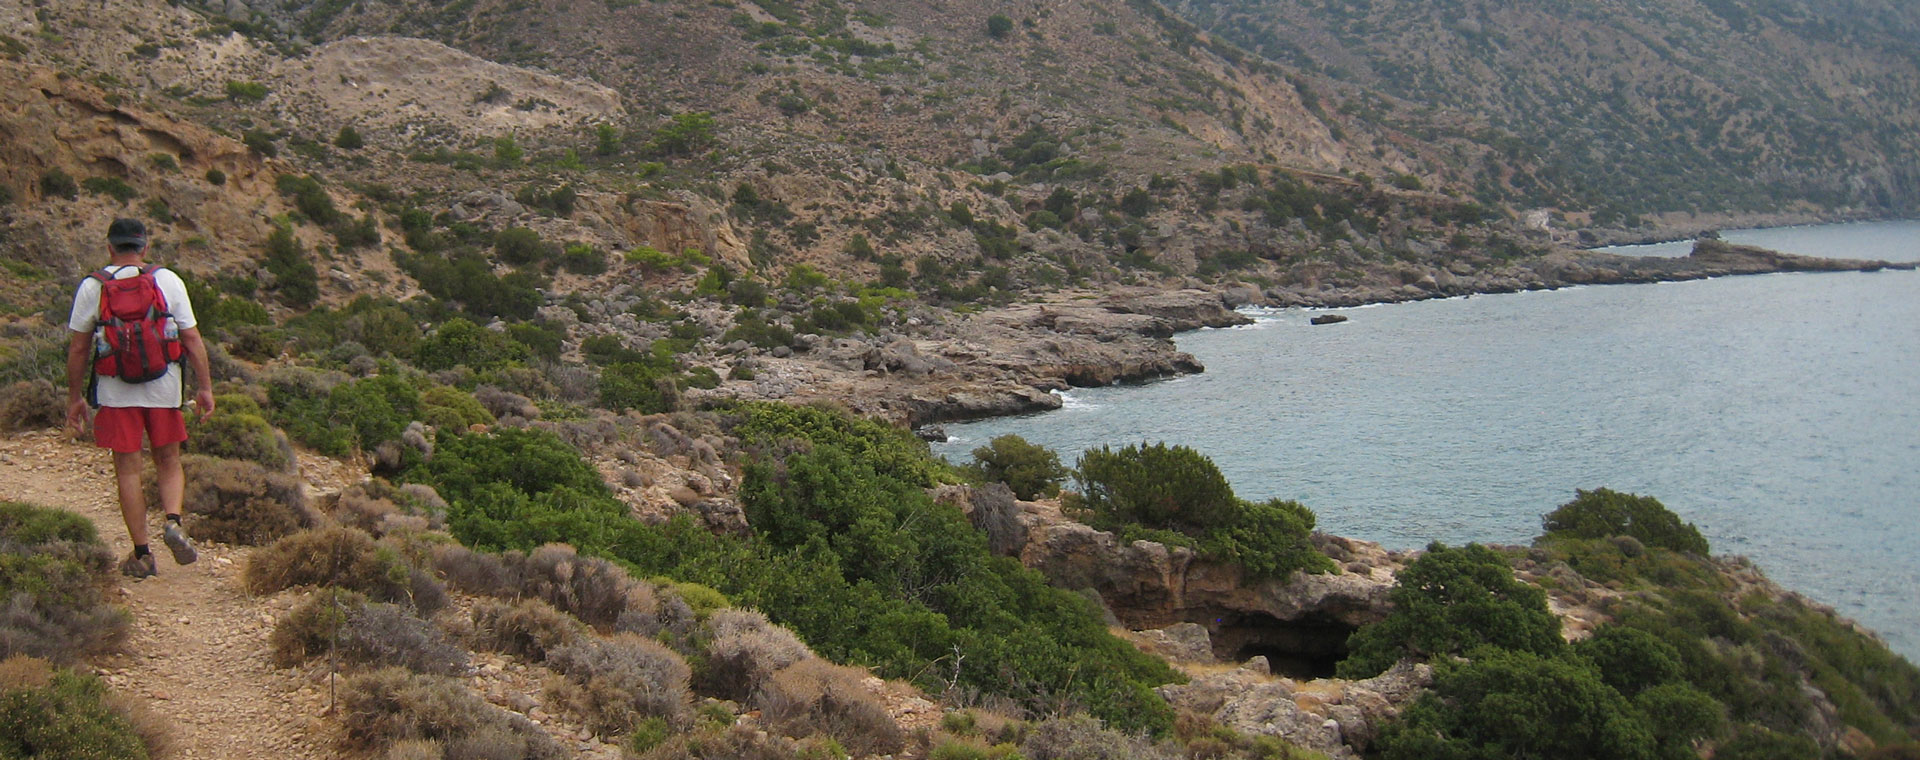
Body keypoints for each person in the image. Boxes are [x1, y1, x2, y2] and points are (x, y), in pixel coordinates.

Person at [64, 218, 216, 579]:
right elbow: (192, 339)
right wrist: (205, 387)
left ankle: (143, 554)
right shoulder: (167, 280)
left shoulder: (94, 285)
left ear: (110, 247)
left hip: (116, 391)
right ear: (145, 247)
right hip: (164, 387)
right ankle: (174, 521)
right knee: (168, 460)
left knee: (128, 469)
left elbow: (79, 348)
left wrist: (74, 398)